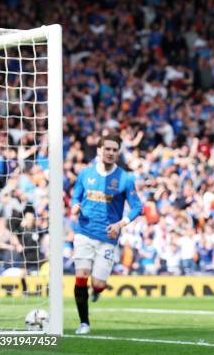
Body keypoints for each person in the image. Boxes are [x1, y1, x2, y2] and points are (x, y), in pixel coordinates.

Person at [70, 133, 143, 334]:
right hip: (84, 232)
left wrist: (121, 224)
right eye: (107, 149)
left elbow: (137, 207)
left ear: (118, 153)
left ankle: (98, 291)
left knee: (99, 284)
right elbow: (75, 196)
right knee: (81, 275)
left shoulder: (125, 179)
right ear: (99, 150)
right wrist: (75, 206)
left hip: (108, 239)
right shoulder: (85, 174)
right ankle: (84, 322)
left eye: (114, 150)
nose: (110, 152)